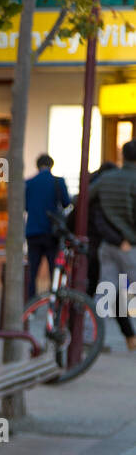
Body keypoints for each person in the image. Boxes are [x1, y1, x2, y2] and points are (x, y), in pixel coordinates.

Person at [89, 141, 136, 351]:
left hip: (108, 245)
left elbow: (83, 198)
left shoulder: (106, 179)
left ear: (123, 156)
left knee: (106, 293)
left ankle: (97, 338)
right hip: (132, 247)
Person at [24, 153, 71, 298]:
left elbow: (25, 206)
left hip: (33, 231)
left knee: (32, 272)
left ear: (37, 166)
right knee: (54, 271)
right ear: (51, 165)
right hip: (52, 232)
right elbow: (66, 203)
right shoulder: (58, 182)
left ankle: (30, 303)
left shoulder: (29, 183)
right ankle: (53, 301)